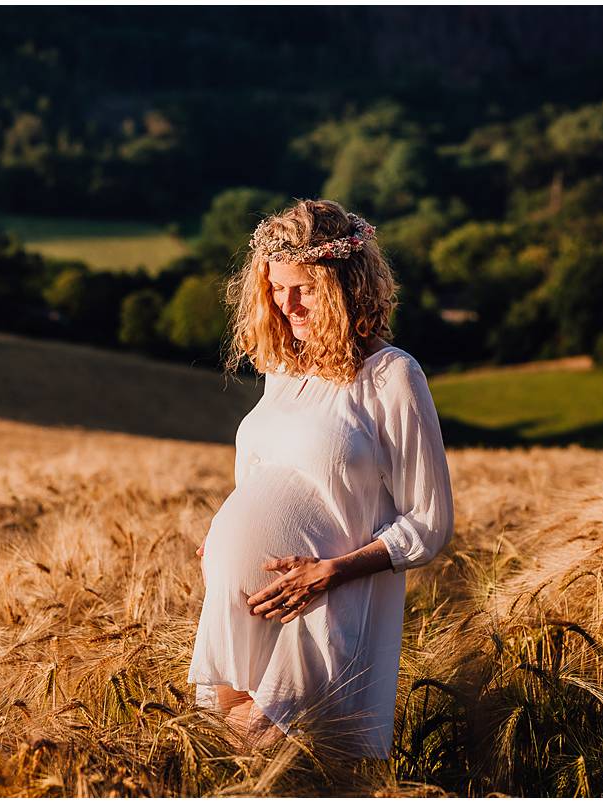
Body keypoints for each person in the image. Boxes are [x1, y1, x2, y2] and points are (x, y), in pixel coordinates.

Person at [187, 199, 454, 756]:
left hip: (322, 607)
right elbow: (264, 474)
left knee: (270, 753)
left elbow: (429, 522)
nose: (286, 305)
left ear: (345, 284)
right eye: (275, 289)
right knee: (228, 765)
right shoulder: (282, 372)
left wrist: (331, 570)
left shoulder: (391, 376)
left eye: (303, 288)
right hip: (243, 601)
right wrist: (224, 536)